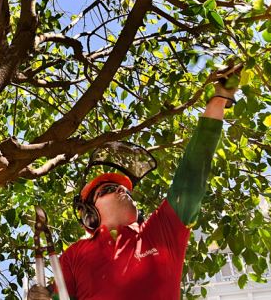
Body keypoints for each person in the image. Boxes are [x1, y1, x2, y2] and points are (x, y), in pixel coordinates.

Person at [28, 66, 240, 300]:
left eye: (125, 189)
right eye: (108, 189)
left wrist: (218, 101)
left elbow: (193, 171)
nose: (122, 189)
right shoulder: (75, 255)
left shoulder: (161, 231)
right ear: (90, 214)